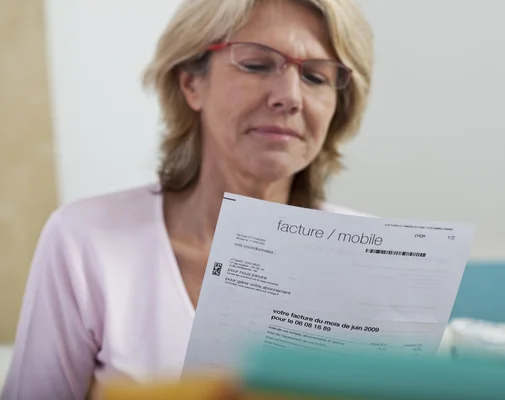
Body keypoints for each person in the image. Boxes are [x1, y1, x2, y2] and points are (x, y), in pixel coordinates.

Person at [1, 0, 374, 398]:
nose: (289, 96)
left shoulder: (370, 259)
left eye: (316, 77)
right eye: (257, 64)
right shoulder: (86, 242)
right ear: (191, 83)